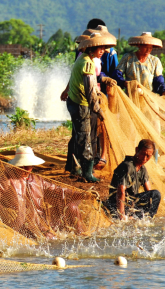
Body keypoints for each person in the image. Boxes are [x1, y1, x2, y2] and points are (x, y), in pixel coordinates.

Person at [0, 146, 86, 238]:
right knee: (48, 238)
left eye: (28, 165)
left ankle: (82, 236)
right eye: (22, 166)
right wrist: (3, 210)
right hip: (22, 223)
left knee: (72, 208)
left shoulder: (37, 180)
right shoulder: (6, 181)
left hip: (42, 219)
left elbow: (58, 191)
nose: (25, 169)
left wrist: (82, 195)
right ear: (16, 165)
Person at [64, 32, 116, 182]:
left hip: (75, 102)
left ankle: (75, 168)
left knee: (78, 136)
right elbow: (90, 88)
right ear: (92, 48)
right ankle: (87, 173)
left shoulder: (83, 58)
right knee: (85, 138)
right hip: (81, 105)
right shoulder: (87, 63)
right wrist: (97, 109)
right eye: (100, 48)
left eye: (104, 48)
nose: (102, 51)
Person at [104, 139, 161, 220]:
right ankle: (128, 216)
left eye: (148, 156)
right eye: (142, 154)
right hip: (119, 204)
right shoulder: (127, 166)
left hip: (131, 203)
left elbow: (149, 192)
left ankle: (145, 218)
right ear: (137, 150)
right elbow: (121, 191)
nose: (144, 158)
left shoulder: (142, 169)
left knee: (155, 195)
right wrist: (121, 214)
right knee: (156, 194)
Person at [112, 32, 165, 100]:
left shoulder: (155, 61)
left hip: (149, 99)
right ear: (139, 45)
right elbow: (117, 74)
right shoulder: (128, 58)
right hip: (131, 98)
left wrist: (164, 91)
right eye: (145, 47)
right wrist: (124, 83)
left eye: (150, 48)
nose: (148, 50)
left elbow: (159, 80)